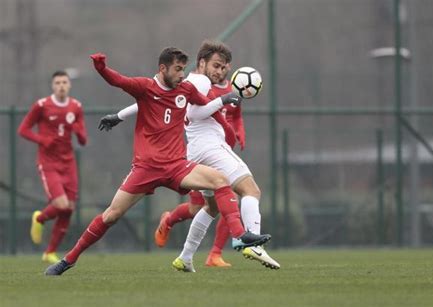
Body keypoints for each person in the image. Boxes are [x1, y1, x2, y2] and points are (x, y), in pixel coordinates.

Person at [45, 47, 270, 276]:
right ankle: (68, 260)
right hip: (146, 169)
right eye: (177, 69)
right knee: (111, 215)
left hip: (176, 166)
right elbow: (118, 81)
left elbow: (202, 107)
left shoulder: (186, 89)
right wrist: (102, 68)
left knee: (220, 180)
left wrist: (224, 107)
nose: (182, 74)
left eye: (183, 69)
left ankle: (239, 235)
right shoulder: (145, 87)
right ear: (162, 69)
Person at [99, 40, 279, 270]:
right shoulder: (201, 81)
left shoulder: (185, 82)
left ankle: (185, 258)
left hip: (193, 150)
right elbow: (195, 113)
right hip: (210, 146)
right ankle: (250, 240)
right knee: (251, 190)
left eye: (224, 68)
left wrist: (118, 116)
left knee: (211, 207)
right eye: (216, 65)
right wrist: (222, 101)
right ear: (202, 62)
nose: (220, 71)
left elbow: (149, 100)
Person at [18, 70, 87, 264]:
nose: (61, 86)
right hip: (48, 163)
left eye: (64, 82)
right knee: (61, 204)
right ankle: (40, 218)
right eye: (58, 83)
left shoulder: (76, 107)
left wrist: (78, 131)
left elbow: (83, 140)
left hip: (69, 162)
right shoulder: (42, 105)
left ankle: (49, 252)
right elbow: (23, 129)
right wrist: (42, 140)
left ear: (69, 85)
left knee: (69, 209)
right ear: (52, 85)